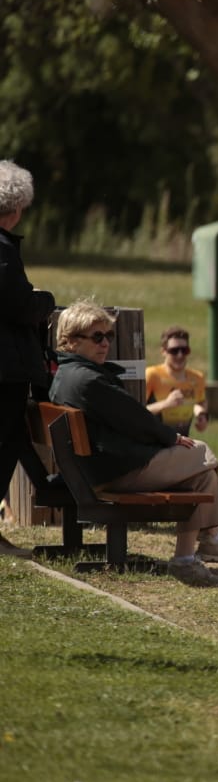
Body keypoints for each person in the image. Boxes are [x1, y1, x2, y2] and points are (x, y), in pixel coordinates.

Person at [49, 300, 218, 586]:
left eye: (109, 336)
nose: (105, 344)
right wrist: (171, 438)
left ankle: (187, 559)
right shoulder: (88, 381)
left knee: (202, 477)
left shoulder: (66, 375)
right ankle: (212, 537)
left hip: (97, 469)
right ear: (71, 341)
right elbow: (138, 420)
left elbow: (130, 420)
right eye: (97, 337)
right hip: (116, 472)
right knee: (202, 453)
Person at [0, 161, 51, 558]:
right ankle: (55, 492)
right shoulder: (3, 252)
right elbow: (18, 305)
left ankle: (52, 491)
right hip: (5, 368)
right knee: (7, 439)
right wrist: (45, 302)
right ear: (15, 208)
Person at [146, 325, 208, 436]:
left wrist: (202, 415)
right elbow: (136, 412)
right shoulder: (152, 375)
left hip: (184, 442)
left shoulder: (197, 378)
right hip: (156, 445)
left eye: (184, 350)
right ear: (163, 351)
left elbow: (200, 402)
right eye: (174, 351)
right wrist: (165, 404)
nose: (180, 355)